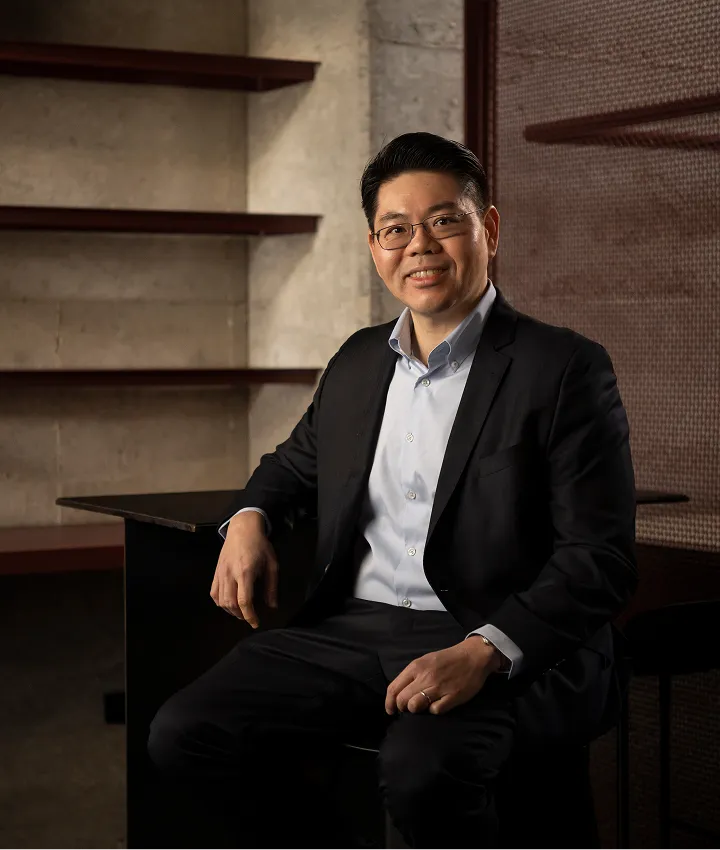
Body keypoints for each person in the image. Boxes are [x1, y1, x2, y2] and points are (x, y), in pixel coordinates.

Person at [148, 132, 637, 850]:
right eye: (396, 229)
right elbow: (292, 464)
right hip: (356, 630)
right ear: (374, 246)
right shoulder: (356, 362)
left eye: (444, 221)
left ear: (488, 229)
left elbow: (600, 558)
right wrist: (249, 518)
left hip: (496, 632)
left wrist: (484, 648)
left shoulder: (563, 368)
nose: (420, 246)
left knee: (420, 771)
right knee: (184, 733)